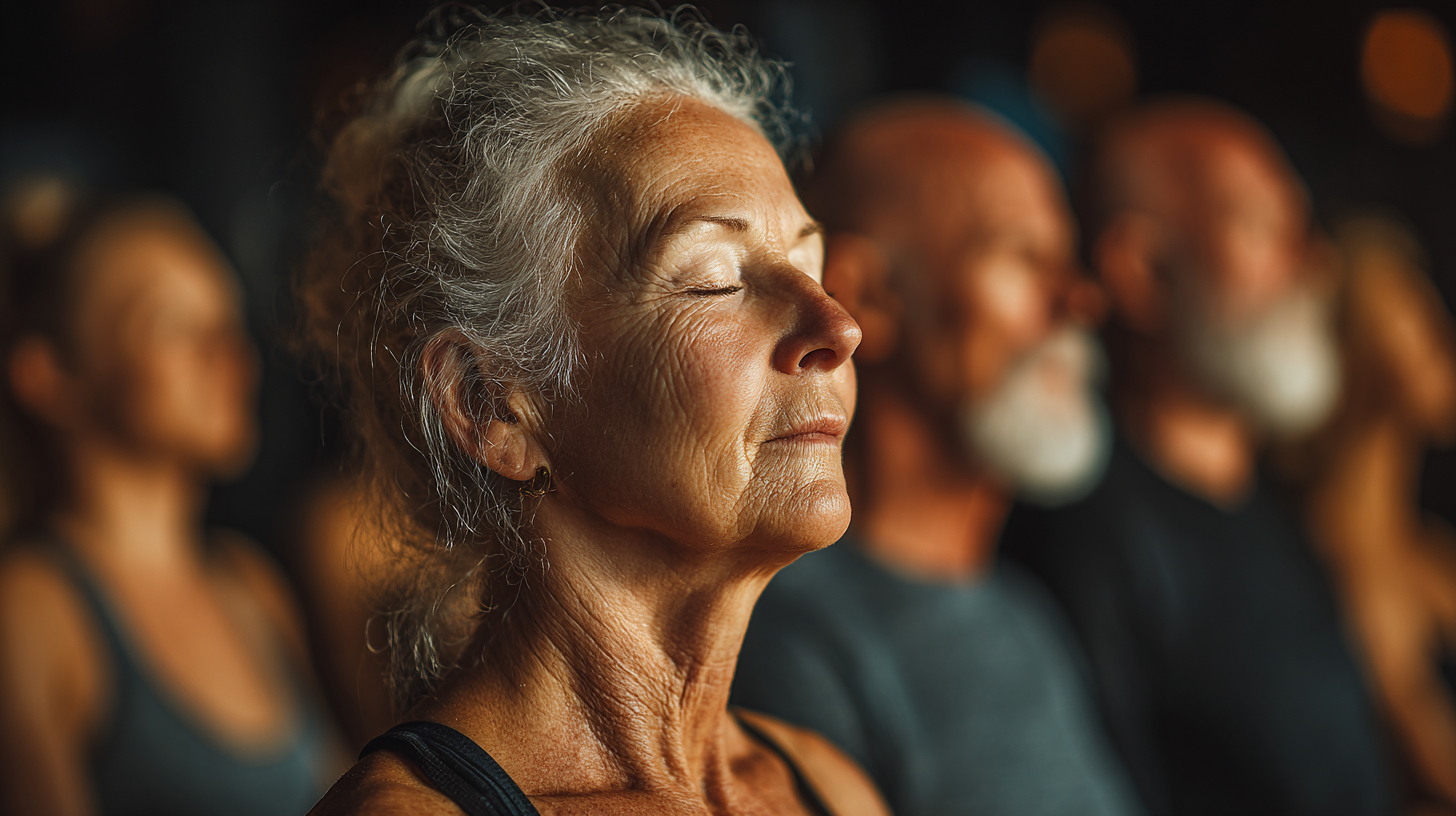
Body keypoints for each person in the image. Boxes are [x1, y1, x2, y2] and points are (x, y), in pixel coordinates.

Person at [302, 9, 889, 815]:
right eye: (714, 278)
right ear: (491, 406)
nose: (838, 328)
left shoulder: (826, 786)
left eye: (809, 264)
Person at [731, 98, 1141, 816]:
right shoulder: (791, 639)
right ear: (869, 296)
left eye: (1068, 263)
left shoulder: (1024, 614)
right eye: (1024, 256)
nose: (1079, 299)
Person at [1001, 99, 1395, 815]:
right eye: (1262, 225)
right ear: (1142, 270)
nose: (1311, 258)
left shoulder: (1266, 499)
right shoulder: (1084, 532)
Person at [0, 179, 339, 815]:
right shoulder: (32, 611)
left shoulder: (250, 585)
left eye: (227, 318)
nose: (227, 351)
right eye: (174, 324)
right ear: (49, 377)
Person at [1284, 215, 1456, 811]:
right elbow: (1436, 770)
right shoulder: (1332, 550)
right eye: (1408, 302)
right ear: (1342, 337)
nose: (1440, 330)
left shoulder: (1425, 548)